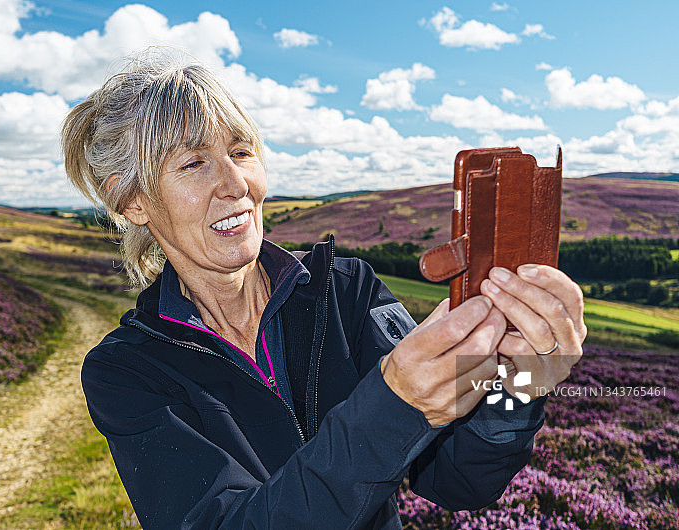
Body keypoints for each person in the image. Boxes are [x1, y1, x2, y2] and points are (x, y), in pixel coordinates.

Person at [61, 50, 586, 529]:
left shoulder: (347, 292)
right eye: (194, 163)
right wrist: (395, 403)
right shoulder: (127, 372)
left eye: (241, 152)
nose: (236, 184)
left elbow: (457, 480)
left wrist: (521, 382)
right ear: (131, 201)